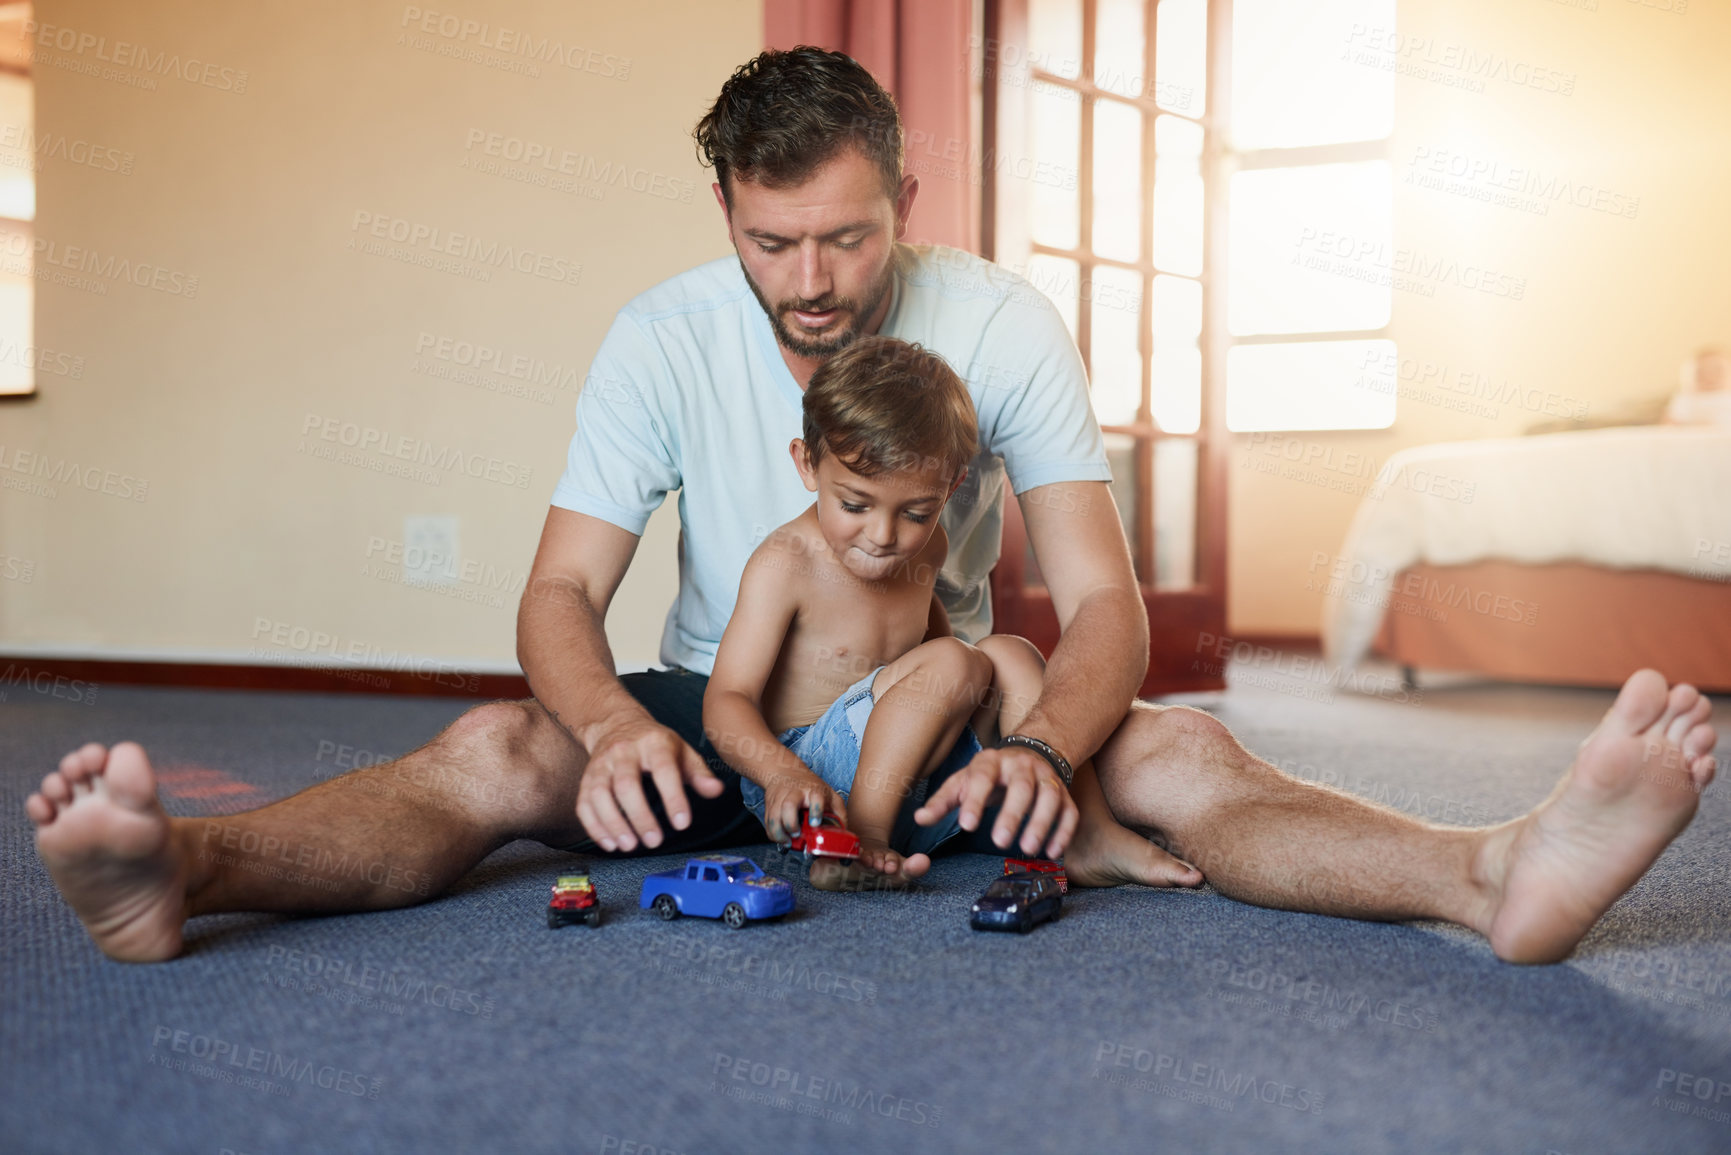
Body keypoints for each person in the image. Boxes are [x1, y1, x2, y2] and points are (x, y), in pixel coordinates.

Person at [27, 47, 1717, 967]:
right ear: (727, 214)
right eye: (772, 245)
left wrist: (1046, 753)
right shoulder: (657, 334)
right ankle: (182, 864)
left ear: (902, 197)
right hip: (723, 710)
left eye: (847, 239)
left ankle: (1487, 873)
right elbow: (558, 601)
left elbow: (1104, 604)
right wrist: (617, 730)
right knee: (493, 750)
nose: (813, 282)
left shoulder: (1003, 321)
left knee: (1188, 751)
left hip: (949, 709)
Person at [704, 335, 1063, 883]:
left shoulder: (932, 545)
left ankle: (1070, 824)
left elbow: (933, 644)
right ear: (807, 465)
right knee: (956, 662)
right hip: (815, 778)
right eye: (854, 504)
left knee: (1010, 655)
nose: (883, 535)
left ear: (951, 488)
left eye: (916, 513)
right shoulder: (785, 562)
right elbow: (726, 700)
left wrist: (969, 690)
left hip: (911, 776)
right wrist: (782, 775)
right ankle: (860, 843)